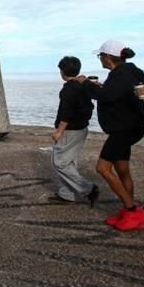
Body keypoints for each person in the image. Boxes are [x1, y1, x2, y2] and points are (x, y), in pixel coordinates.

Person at [83, 40, 144, 231]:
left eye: (100, 56)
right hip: (134, 127)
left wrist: (88, 85)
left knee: (103, 168)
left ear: (107, 57)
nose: (100, 60)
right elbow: (141, 95)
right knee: (122, 169)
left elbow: (106, 96)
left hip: (123, 129)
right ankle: (127, 209)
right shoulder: (132, 73)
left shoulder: (119, 76)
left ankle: (131, 211)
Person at [50, 56, 99, 205]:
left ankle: (88, 189)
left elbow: (66, 112)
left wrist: (59, 131)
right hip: (81, 128)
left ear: (62, 71)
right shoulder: (83, 85)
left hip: (70, 131)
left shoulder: (69, 89)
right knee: (69, 162)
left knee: (59, 162)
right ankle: (66, 193)